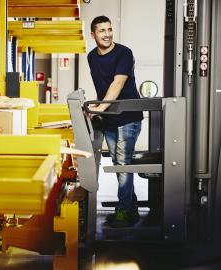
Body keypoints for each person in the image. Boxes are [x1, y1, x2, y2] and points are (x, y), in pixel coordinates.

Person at [87, 15, 143, 227]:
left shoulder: (124, 53)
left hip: (128, 117)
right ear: (93, 35)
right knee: (121, 165)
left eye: (109, 29)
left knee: (122, 164)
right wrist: (100, 110)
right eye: (102, 31)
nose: (107, 34)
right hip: (110, 119)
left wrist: (100, 108)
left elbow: (117, 84)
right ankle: (131, 208)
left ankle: (123, 212)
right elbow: (102, 86)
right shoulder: (92, 57)